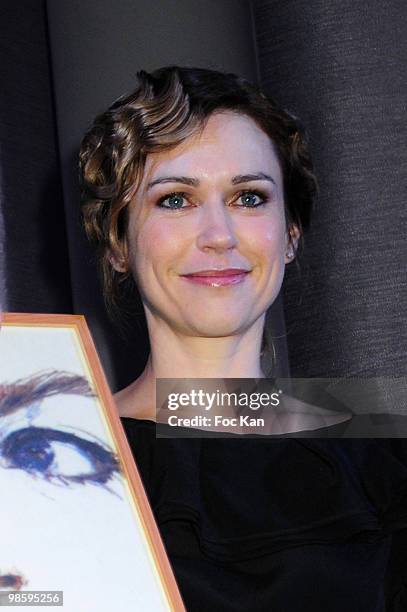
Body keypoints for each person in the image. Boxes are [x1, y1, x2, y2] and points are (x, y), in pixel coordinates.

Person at [79, 66, 407, 611]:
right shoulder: (50, 458)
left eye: (249, 197)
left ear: (290, 236)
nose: (218, 236)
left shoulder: (385, 448)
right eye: (176, 200)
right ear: (117, 243)